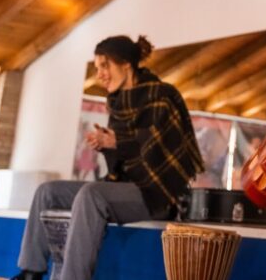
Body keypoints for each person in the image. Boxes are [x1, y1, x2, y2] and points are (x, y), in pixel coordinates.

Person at [12, 35, 204, 280]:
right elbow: (124, 161)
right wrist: (107, 145)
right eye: (96, 68)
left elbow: (160, 152)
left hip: (158, 196)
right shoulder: (116, 102)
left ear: (126, 64)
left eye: (105, 65)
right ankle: (31, 271)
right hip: (125, 188)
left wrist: (118, 141)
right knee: (47, 192)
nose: (100, 73)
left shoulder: (162, 96)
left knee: (92, 194)